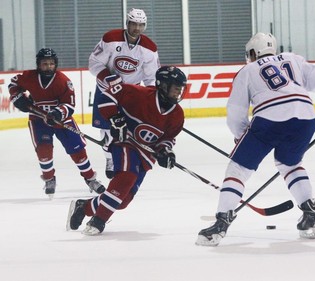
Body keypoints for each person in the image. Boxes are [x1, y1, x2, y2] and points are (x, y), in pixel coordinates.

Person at [196, 33, 315, 246]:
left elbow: (235, 111)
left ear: (253, 52)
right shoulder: (293, 59)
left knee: (238, 169)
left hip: (269, 120)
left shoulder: (247, 71)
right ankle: (310, 216)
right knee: (290, 164)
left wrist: (240, 137)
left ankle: (221, 222)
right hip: (305, 117)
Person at [66, 65, 186, 235]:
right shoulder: (139, 94)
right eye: (175, 89)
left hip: (145, 154)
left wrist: (166, 152)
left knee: (122, 200)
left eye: (180, 90)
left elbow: (167, 139)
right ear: (163, 86)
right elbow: (107, 96)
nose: (178, 93)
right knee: (125, 177)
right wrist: (114, 118)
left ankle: (84, 207)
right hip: (124, 143)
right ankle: (99, 220)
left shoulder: (177, 115)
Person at [8, 48, 106, 199]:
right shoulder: (29, 77)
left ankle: (90, 178)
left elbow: (70, 105)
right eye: (45, 64)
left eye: (51, 64)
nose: (48, 67)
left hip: (61, 121)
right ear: (38, 65)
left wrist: (58, 113)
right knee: (44, 151)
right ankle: (49, 179)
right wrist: (17, 97)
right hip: (38, 120)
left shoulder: (63, 81)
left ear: (56, 64)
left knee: (78, 152)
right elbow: (14, 83)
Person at [89, 8, 160, 179]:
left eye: (141, 25)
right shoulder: (111, 39)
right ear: (127, 23)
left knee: (128, 130)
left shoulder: (149, 48)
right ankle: (109, 159)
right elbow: (94, 63)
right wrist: (109, 78)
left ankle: (125, 160)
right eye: (134, 24)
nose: (137, 28)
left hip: (131, 93)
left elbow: (151, 78)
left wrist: (151, 98)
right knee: (106, 131)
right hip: (107, 90)